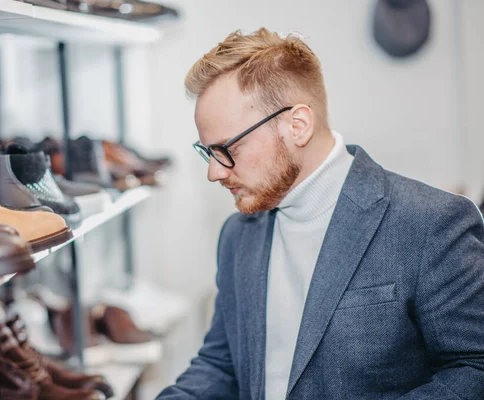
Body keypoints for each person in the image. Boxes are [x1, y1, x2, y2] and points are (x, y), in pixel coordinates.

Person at [157, 28, 484, 399]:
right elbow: (222, 364)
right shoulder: (238, 234)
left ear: (297, 126)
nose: (214, 172)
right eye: (207, 152)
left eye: (226, 148)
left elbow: (474, 368)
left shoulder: (431, 223)